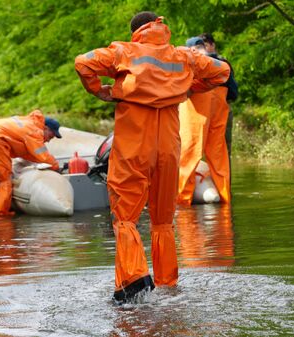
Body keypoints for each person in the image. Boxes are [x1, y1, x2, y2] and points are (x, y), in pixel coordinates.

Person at [74, 11, 230, 303]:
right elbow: (222, 72)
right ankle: (167, 284)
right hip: (169, 147)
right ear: (160, 27)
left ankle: (133, 281)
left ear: (135, 31)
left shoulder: (123, 51)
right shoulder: (183, 56)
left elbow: (82, 62)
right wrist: (186, 88)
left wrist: (101, 91)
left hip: (134, 145)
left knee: (125, 218)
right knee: (162, 221)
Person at [0, 110, 61, 218]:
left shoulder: (27, 123)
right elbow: (43, 155)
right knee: (5, 181)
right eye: (51, 136)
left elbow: (27, 152)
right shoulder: (35, 131)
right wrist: (56, 166)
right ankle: (0, 217)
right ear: (45, 128)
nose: (49, 140)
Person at [177, 37, 231, 205]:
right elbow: (233, 92)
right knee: (218, 156)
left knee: (190, 153)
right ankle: (224, 198)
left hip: (196, 109)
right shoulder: (222, 63)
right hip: (219, 109)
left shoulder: (189, 61)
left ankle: (182, 201)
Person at [199, 33, 239, 159]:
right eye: (201, 46)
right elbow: (234, 93)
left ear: (212, 45)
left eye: (205, 45)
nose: (203, 50)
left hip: (217, 111)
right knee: (219, 150)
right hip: (210, 111)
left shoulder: (218, 63)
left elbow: (233, 92)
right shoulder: (221, 63)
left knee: (220, 149)